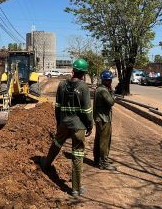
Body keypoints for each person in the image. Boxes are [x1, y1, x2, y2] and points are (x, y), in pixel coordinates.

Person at [40, 58, 93, 197]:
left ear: (73, 71)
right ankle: (75, 189)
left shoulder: (62, 85)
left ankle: (46, 165)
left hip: (64, 123)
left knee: (57, 143)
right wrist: (90, 125)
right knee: (77, 155)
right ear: (84, 73)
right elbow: (87, 111)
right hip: (79, 127)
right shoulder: (83, 87)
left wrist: (59, 122)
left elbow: (57, 107)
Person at [93, 70, 116, 170]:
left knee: (99, 139)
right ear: (104, 80)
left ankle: (97, 159)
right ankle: (104, 162)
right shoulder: (103, 90)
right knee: (104, 141)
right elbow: (111, 102)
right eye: (109, 80)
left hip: (100, 118)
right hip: (103, 119)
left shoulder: (100, 89)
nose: (110, 82)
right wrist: (113, 93)